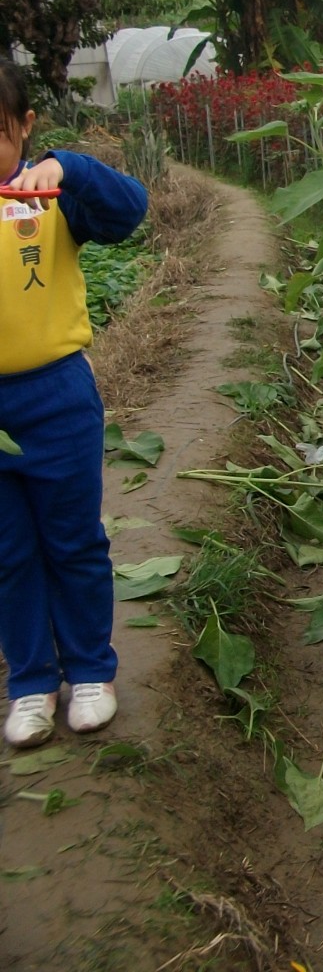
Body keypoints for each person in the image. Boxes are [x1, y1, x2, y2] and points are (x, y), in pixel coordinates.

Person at [1, 58, 148, 748]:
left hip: (55, 396)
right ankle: (31, 681)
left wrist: (69, 167)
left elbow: (128, 211)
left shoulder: (48, 198)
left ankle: (91, 670)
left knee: (73, 541)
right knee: (9, 554)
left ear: (24, 127)